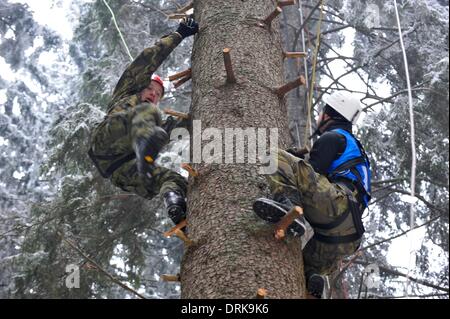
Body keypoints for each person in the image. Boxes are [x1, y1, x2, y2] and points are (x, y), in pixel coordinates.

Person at [253, 91, 371, 298]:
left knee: (271, 155)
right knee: (302, 268)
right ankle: (314, 278)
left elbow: (313, 172)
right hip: (351, 234)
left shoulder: (333, 136)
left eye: (321, 112)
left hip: (335, 203)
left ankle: (289, 206)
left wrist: (290, 160)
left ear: (328, 115)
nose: (318, 116)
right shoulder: (354, 148)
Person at [88, 17, 199, 226]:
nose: (153, 95)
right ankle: (143, 144)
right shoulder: (127, 92)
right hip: (108, 139)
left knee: (174, 180)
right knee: (148, 113)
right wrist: (179, 34)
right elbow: (148, 59)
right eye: (150, 89)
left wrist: (203, 115)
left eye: (158, 94)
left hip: (120, 170)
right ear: (140, 86)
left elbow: (178, 129)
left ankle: (178, 211)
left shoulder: (153, 122)